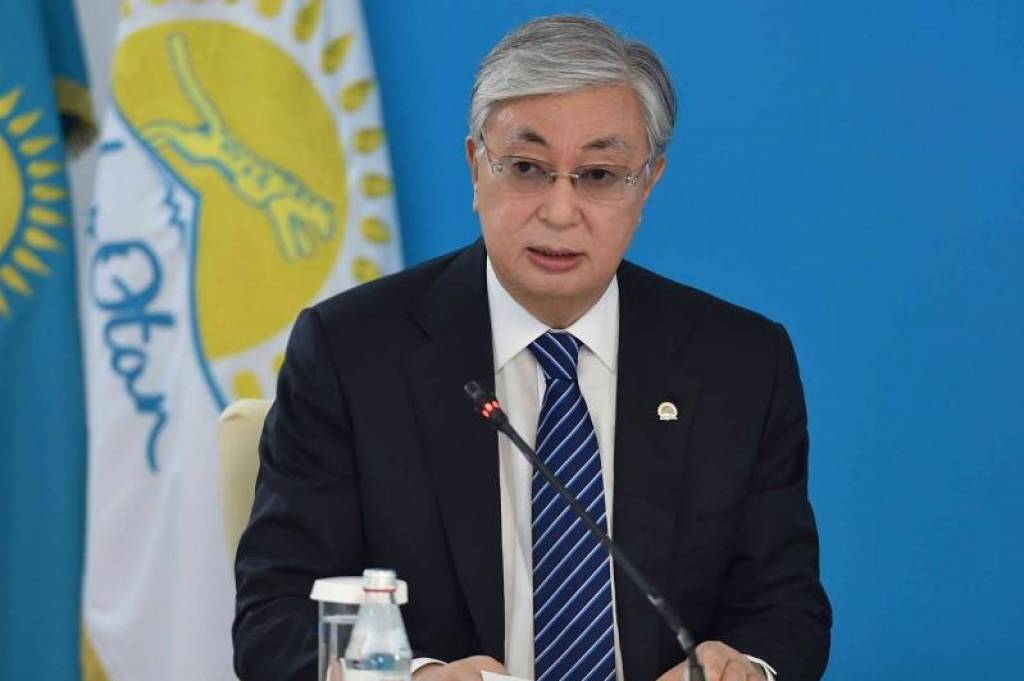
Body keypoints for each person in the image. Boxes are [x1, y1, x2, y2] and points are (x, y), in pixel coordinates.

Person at [233, 15, 831, 681]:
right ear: (475, 166)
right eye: (525, 168)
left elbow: (785, 609)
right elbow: (274, 617)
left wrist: (745, 667)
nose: (559, 211)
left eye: (598, 174)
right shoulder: (351, 354)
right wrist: (413, 676)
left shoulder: (739, 364)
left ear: (648, 183)